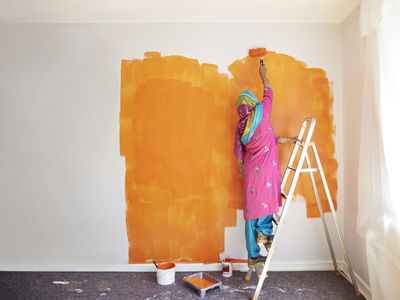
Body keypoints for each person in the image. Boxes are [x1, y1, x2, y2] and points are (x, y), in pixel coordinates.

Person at [233, 59, 297, 268]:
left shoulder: (241, 127)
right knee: (266, 204)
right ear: (251, 103)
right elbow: (269, 91)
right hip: (267, 171)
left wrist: (285, 140)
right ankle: (266, 240)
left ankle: (253, 255)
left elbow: (266, 140)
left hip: (251, 172)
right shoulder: (261, 112)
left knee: (252, 212)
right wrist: (263, 75)